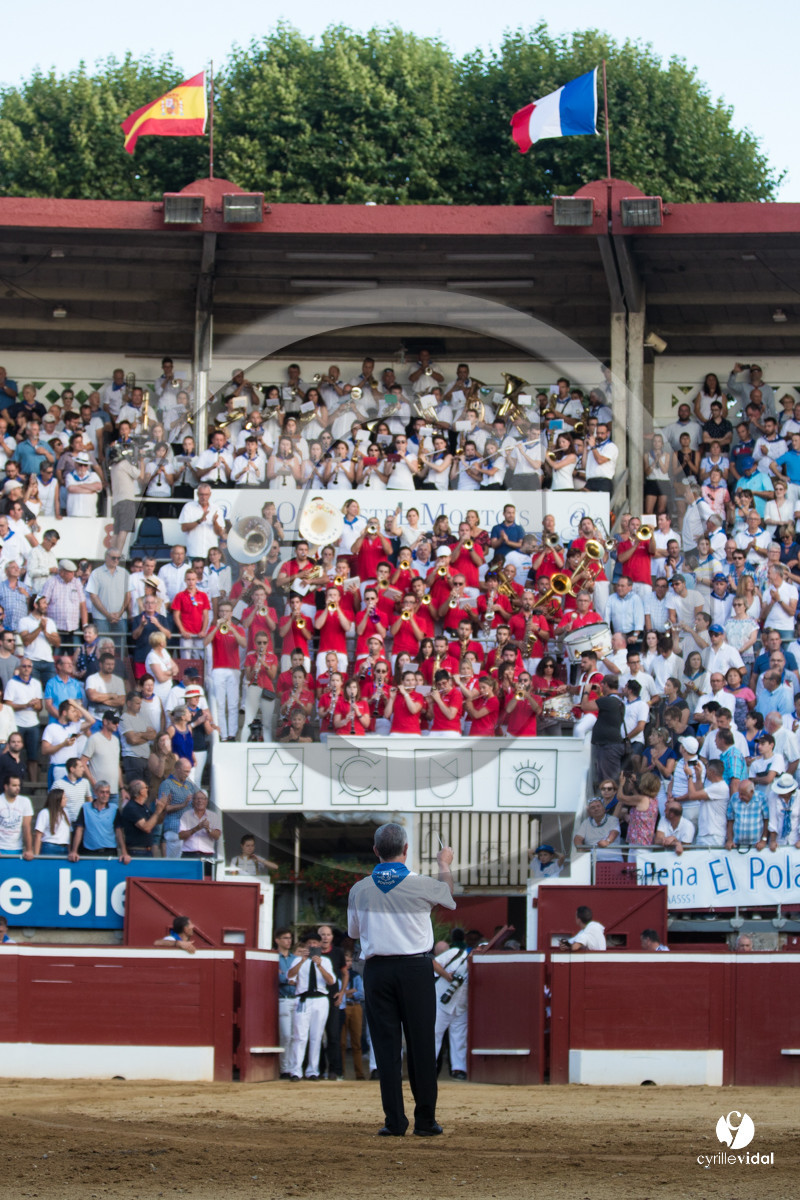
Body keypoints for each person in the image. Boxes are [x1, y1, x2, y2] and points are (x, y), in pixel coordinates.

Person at [347, 822, 456, 1138]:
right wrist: (444, 863)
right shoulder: (421, 883)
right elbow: (449, 896)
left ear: (375, 850)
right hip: (415, 969)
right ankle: (425, 1121)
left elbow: (354, 933)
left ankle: (395, 1121)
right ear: (405, 850)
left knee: (386, 1046)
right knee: (422, 1044)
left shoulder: (360, 889)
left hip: (378, 971)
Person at [286, 932, 336, 1080]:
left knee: (316, 1036)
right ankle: (296, 1070)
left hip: (320, 999)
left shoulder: (325, 961)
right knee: (300, 1036)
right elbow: (290, 977)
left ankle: (312, 1070)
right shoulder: (297, 961)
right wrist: (302, 961)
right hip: (304, 998)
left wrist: (319, 966)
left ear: (319, 945)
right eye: (310, 943)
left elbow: (331, 981)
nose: (312, 945)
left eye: (315, 943)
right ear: (306, 945)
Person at [432, 938, 470, 1080]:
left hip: (461, 1005)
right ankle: (429, 1068)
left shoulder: (478, 966)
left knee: (459, 1037)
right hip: (441, 1000)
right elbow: (433, 963)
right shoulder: (455, 953)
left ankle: (458, 1069)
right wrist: (446, 975)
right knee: (434, 1035)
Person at [0, 776, 34, 858]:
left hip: (17, 848)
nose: (17, 788)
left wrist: (29, 850)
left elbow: (26, 827)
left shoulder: (25, 801)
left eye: (19, 785)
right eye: (14, 785)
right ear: (6, 786)